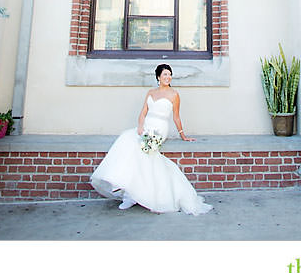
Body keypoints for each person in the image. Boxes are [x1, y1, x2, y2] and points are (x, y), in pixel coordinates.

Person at [90, 63, 212, 215]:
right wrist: (140, 126)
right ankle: (129, 191)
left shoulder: (174, 95)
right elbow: (143, 112)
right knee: (127, 139)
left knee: (143, 151)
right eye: (165, 74)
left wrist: (183, 135)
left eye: (169, 74)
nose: (168, 77)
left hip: (159, 128)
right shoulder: (150, 93)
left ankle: (136, 194)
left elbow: (176, 117)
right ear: (158, 77)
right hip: (146, 125)